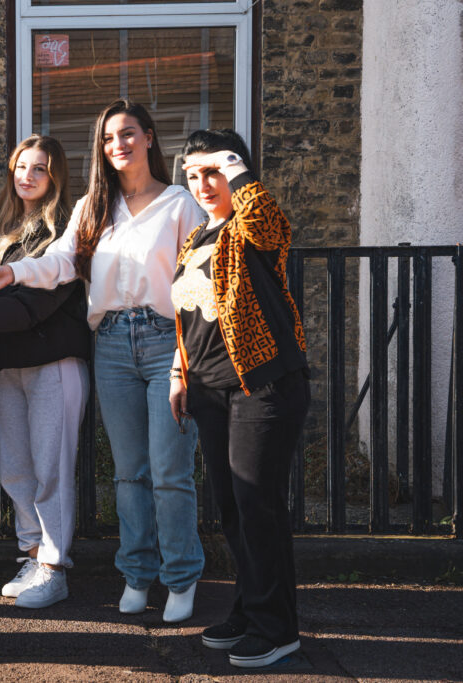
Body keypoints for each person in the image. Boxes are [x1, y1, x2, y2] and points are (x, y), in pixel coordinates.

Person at [0, 100, 205, 622]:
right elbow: (60, 262)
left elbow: (196, 288)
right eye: (107, 138)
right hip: (111, 343)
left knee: (170, 471)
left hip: (165, 340)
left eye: (127, 134)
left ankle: (181, 577)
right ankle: (138, 574)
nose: (118, 145)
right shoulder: (92, 207)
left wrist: (186, 360)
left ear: (149, 137)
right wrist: (8, 275)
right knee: (129, 472)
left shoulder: (179, 203)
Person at [172, 129, 309, 668]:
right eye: (193, 176)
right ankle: (250, 608)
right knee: (232, 508)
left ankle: (278, 629)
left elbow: (270, 224)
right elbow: (187, 318)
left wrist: (236, 166)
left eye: (214, 173)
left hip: (261, 384)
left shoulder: (250, 230)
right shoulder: (196, 239)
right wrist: (179, 372)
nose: (204, 184)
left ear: (236, 174)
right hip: (208, 389)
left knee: (258, 505)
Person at [0, 135, 90, 608]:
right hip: (5, 361)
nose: (27, 176)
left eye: (39, 169)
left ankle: (55, 568)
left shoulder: (67, 228)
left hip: (53, 361)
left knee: (51, 465)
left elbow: (46, 297)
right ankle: (34, 553)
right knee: (16, 468)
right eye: (21, 166)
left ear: (56, 176)